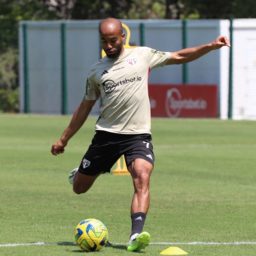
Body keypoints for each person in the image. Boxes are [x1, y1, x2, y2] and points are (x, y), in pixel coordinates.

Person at [51, 17, 230, 252]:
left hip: (138, 135)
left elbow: (178, 57)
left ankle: (135, 235)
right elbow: (84, 108)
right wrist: (64, 139)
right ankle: (82, 172)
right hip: (107, 135)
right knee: (79, 188)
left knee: (142, 176)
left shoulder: (142, 55)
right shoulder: (96, 72)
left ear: (123, 37)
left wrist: (210, 45)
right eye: (104, 41)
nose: (109, 45)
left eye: (113, 40)